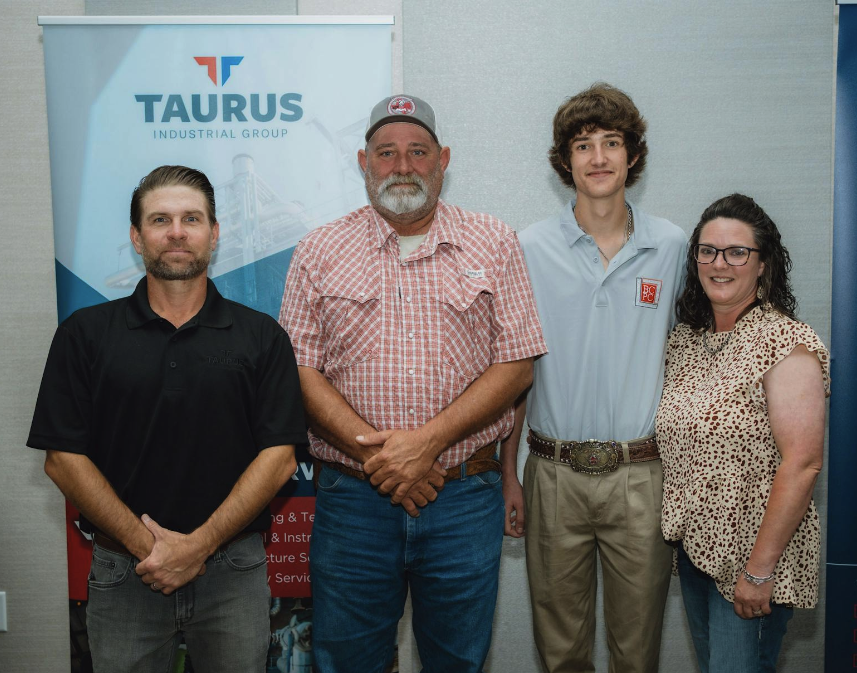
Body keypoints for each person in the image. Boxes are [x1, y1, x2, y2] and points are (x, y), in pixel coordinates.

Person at [278, 94, 546, 673]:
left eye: (418, 152)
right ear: (363, 161)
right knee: (348, 662)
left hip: (461, 500)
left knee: (457, 662)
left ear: (443, 159)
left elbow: (517, 364)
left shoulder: (494, 241)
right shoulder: (318, 250)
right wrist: (385, 459)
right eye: (387, 153)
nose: (402, 166)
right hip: (353, 502)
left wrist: (424, 445)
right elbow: (298, 369)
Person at [27, 165, 306, 672]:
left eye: (191, 219)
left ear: (214, 234)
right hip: (124, 570)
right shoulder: (84, 335)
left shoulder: (262, 337)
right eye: (160, 219)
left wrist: (198, 546)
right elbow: (63, 460)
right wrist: (154, 549)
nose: (176, 231)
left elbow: (281, 457)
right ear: (137, 237)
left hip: (233, 572)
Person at [501, 83, 688, 672]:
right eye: (584, 146)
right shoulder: (527, 248)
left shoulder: (674, 247)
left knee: (638, 653)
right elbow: (515, 372)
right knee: (561, 654)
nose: (599, 157)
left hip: (642, 475)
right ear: (566, 161)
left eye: (612, 143)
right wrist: (510, 473)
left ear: (633, 155)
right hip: (553, 474)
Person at [655, 194, 829, 673]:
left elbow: (804, 463)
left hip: (752, 558)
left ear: (763, 264)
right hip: (695, 553)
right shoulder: (686, 342)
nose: (719, 263)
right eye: (707, 251)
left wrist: (758, 570)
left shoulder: (786, 342)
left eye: (737, 252)